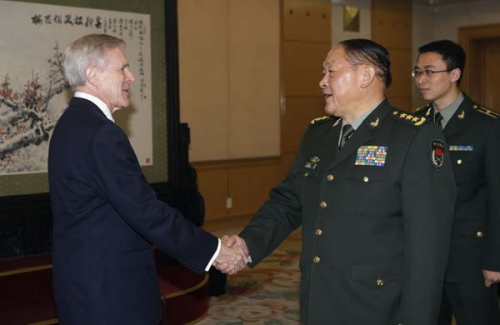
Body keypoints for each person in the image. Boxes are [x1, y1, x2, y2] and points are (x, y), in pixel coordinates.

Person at [224, 39, 456, 324]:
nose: (322, 82)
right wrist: (247, 245)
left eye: (330, 71)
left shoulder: (413, 137)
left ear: (366, 76)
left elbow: (428, 248)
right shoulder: (318, 134)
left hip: (376, 304)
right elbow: (288, 201)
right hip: (319, 295)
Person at [48, 34, 246, 325]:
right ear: (92, 74)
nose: (131, 76)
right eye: (122, 69)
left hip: (84, 283)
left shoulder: (70, 124)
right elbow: (145, 211)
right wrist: (215, 250)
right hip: (110, 293)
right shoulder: (101, 134)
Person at [413, 39, 500, 325]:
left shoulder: (487, 126)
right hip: (424, 257)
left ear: (454, 74)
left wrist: (495, 260)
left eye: (429, 71)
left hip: (470, 258)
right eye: (417, 72)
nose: (421, 80)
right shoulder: (413, 125)